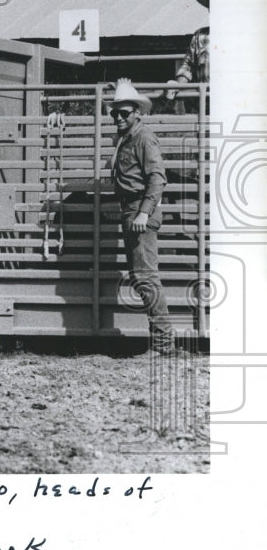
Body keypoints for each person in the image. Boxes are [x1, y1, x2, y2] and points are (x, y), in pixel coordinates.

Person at [109, 79, 174, 355]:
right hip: (131, 210)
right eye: (115, 113)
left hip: (139, 213)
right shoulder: (126, 139)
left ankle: (163, 344)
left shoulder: (144, 138)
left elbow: (157, 178)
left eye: (124, 113)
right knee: (140, 277)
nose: (119, 118)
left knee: (146, 277)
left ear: (137, 113)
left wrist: (144, 213)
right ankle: (160, 342)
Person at [165, 0, 209, 115]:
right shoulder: (200, 36)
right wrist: (177, 85)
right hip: (206, 100)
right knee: (206, 132)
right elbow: (188, 66)